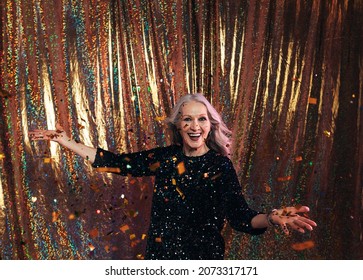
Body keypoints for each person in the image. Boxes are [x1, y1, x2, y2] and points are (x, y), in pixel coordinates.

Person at [29, 93, 317, 260]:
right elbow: (117, 163)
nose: (194, 126)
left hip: (205, 262)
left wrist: (271, 218)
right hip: (161, 259)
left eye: (201, 118)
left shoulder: (220, 166)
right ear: (178, 125)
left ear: (210, 125)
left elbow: (241, 216)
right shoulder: (165, 159)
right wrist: (67, 142)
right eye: (187, 119)